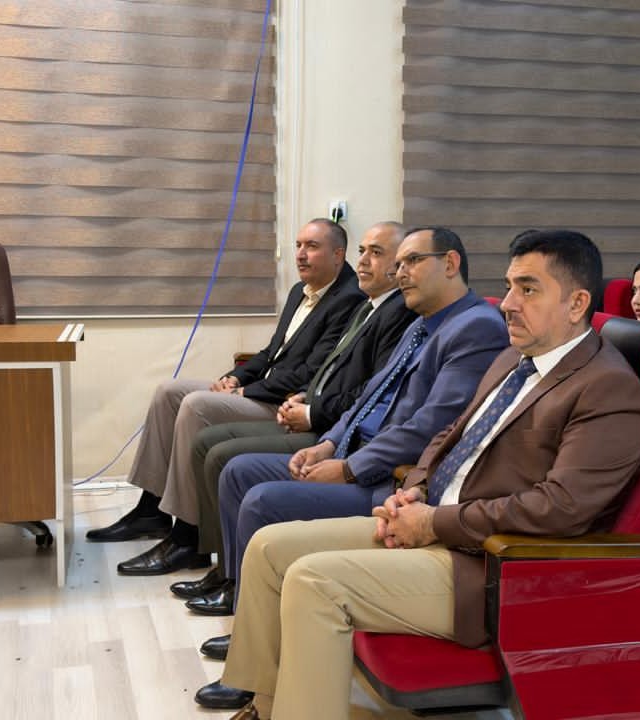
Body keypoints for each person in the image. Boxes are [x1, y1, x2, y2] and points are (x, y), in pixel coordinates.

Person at [201, 229, 640, 720]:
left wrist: (434, 522)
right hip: (439, 526)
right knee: (269, 547)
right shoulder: (515, 358)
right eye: (509, 287)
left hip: (491, 566)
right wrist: (412, 491)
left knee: (315, 582)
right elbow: (449, 434)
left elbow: (559, 508)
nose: (508, 304)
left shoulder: (606, 387)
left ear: (577, 303)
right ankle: (267, 707)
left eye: (529, 289)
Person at [191, 226, 509, 708]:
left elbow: (430, 426)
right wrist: (328, 444)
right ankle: (252, 627)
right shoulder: (421, 323)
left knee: (263, 501)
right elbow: (368, 397)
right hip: (355, 451)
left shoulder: (475, 328)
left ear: (450, 264)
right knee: (238, 472)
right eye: (398, 264)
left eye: (411, 261)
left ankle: (260, 667)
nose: (400, 273)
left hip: (389, 478)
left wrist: (350, 467)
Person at [155, 222, 417, 612]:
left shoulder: (385, 311)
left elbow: (367, 393)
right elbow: (290, 358)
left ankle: (223, 568)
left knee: (218, 449)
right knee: (182, 408)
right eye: (363, 251)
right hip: (307, 408)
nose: (364, 261)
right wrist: (242, 379)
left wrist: (308, 409)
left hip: (325, 426)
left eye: (376, 253)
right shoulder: (365, 305)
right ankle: (210, 557)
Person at [85, 219, 364, 573]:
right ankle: (150, 510)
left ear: (338, 254)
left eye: (311, 246)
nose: (300, 255)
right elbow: (272, 353)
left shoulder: (349, 299)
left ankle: (188, 535)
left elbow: (311, 372)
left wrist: (245, 390)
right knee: (168, 392)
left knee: (196, 405)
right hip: (262, 388)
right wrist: (234, 376)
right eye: (298, 245)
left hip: (285, 403)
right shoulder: (300, 291)